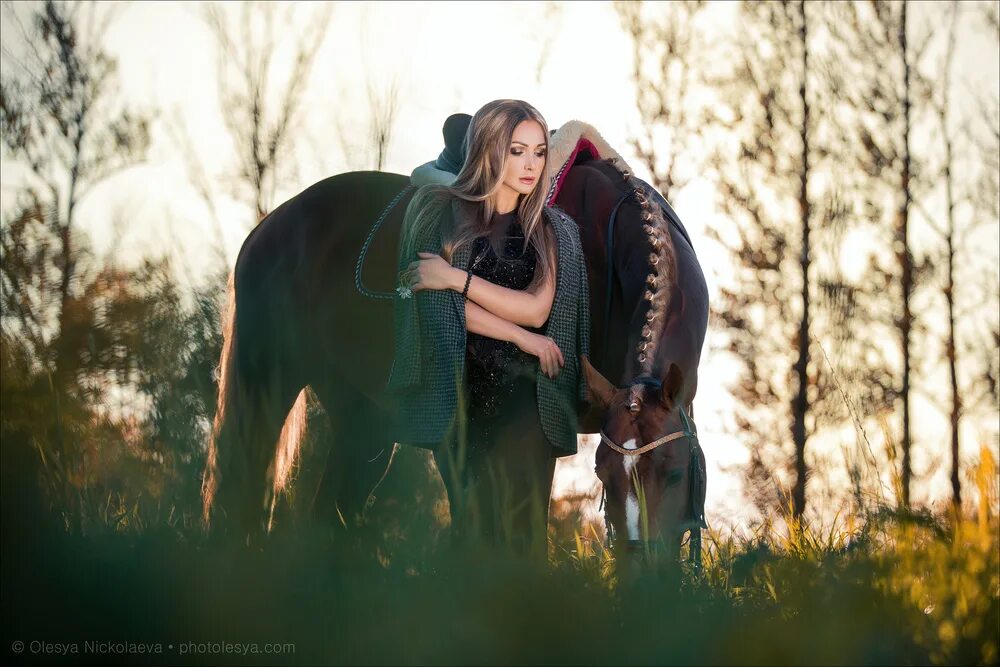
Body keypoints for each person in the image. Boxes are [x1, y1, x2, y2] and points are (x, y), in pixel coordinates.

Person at [386, 99, 590, 558]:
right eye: (517, 150)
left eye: (539, 152)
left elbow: (537, 309)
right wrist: (520, 336)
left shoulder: (551, 227)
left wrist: (455, 279)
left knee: (527, 541)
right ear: (488, 149)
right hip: (462, 392)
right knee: (474, 535)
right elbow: (432, 305)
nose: (531, 165)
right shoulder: (438, 213)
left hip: (528, 402)